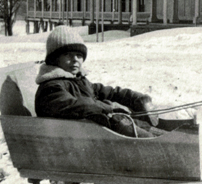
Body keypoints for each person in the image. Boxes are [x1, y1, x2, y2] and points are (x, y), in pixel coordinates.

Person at [34, 26, 163, 138]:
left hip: (95, 132)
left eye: (79, 55)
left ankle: (159, 136)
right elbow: (74, 105)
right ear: (54, 59)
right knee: (121, 122)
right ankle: (158, 141)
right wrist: (107, 107)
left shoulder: (78, 81)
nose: (75, 60)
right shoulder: (51, 87)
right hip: (76, 137)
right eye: (68, 55)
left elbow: (107, 92)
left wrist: (136, 99)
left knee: (133, 122)